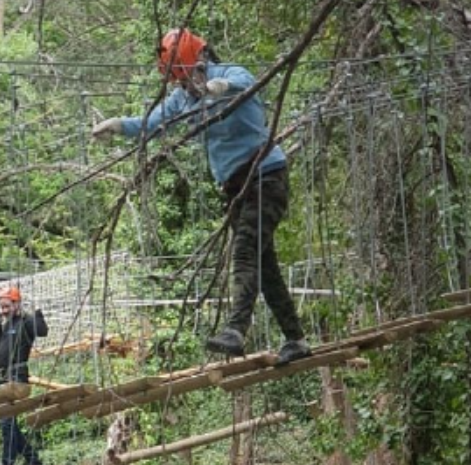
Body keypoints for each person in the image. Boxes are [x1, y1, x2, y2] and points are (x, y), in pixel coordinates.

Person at [90, 29, 311, 365]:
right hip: (237, 190)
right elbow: (153, 121)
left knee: (245, 251)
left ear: (201, 63)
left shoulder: (229, 74)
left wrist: (219, 89)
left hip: (266, 176)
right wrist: (119, 126)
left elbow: (244, 80)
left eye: (188, 77)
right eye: (178, 81)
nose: (185, 86)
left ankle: (236, 329)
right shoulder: (184, 100)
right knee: (265, 268)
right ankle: (296, 338)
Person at [0, 286, 47, 465]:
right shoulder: (6, 324)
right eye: (2, 307)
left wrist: (37, 311)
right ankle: (32, 459)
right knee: (8, 424)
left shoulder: (26, 321)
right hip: (3, 378)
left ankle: (8, 462)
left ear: (17, 304)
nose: (4, 310)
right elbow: (2, 347)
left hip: (17, 377)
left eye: (7, 306)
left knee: (8, 423)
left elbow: (42, 331)